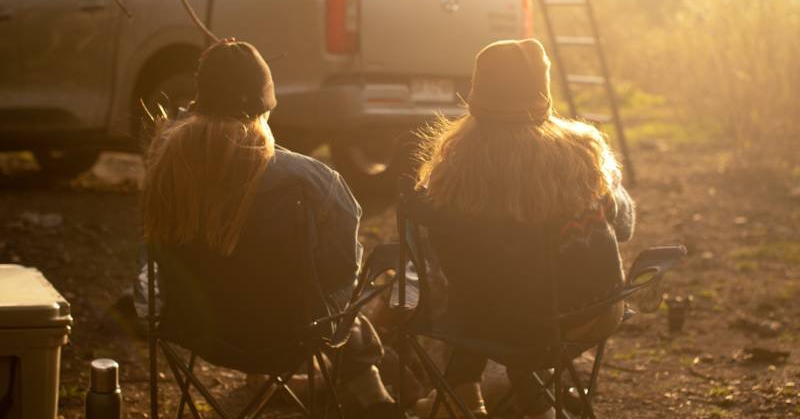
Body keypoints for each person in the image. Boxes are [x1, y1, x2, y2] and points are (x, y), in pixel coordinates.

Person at [140, 39, 398, 419]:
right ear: (265, 105)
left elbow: (153, 257)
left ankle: (345, 384)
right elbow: (342, 273)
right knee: (343, 306)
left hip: (195, 331)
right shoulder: (312, 180)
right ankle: (369, 392)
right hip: (290, 336)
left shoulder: (165, 166)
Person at [413, 38, 635, 419]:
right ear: (543, 92)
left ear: (477, 93)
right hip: (585, 315)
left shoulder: (450, 168)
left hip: (491, 320)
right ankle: (535, 405)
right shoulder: (583, 156)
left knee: (489, 289)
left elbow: (440, 248)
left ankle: (468, 396)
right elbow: (625, 226)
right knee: (529, 299)